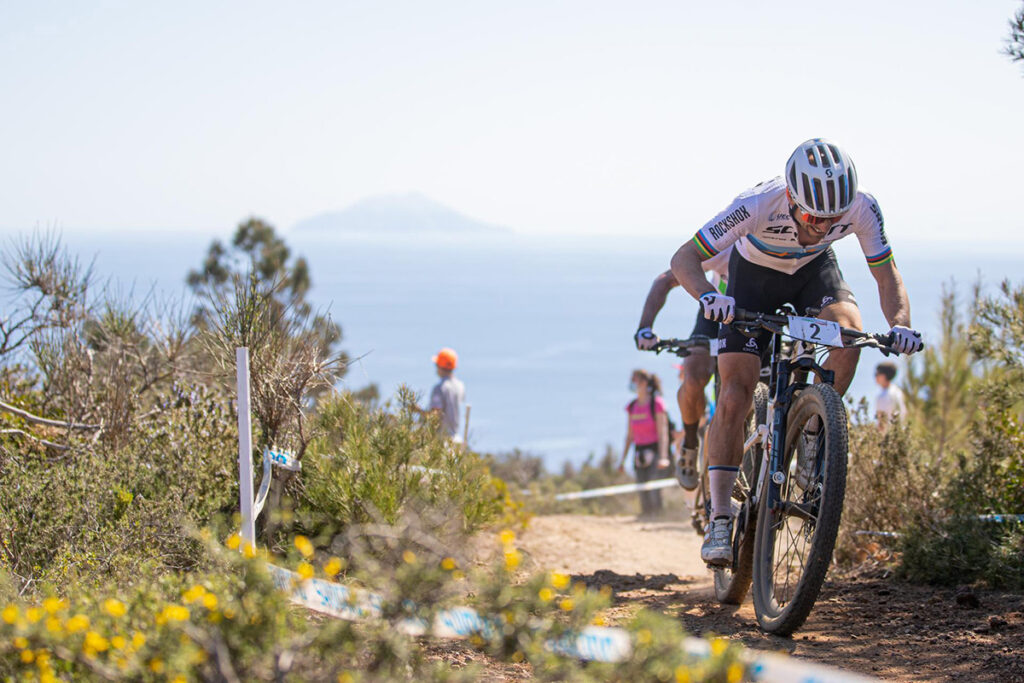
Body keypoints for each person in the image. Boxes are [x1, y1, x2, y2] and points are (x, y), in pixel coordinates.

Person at [668, 138, 923, 565]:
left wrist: (900, 324)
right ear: (790, 197)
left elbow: (886, 275)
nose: (821, 227)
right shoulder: (755, 204)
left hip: (813, 273)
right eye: (810, 216)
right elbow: (683, 259)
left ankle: (812, 430)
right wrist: (709, 296)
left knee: (849, 335)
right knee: (734, 394)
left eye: (832, 219)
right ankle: (720, 517)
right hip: (753, 278)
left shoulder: (862, 207)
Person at [634, 246, 732, 491]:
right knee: (695, 371)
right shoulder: (729, 245)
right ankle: (690, 443)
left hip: (755, 316)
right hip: (715, 316)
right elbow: (666, 280)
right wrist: (645, 327)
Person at [618, 369, 671, 516]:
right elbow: (629, 435)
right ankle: (646, 518)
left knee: (654, 490)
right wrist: (622, 460)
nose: (633, 383)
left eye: (635, 380)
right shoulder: (632, 406)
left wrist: (663, 456)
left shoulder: (657, 404)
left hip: (654, 451)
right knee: (641, 489)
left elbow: (663, 433)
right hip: (638, 451)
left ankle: (659, 517)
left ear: (644, 383)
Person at [425, 347, 466, 442]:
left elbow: (435, 414)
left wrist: (416, 410)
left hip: (443, 441)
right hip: (457, 440)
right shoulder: (460, 386)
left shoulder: (439, 388)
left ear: (440, 366)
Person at [874, 361, 906, 427]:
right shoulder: (898, 392)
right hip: (901, 431)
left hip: (889, 433)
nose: (875, 376)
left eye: (877, 374)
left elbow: (881, 422)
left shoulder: (883, 397)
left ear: (883, 376)